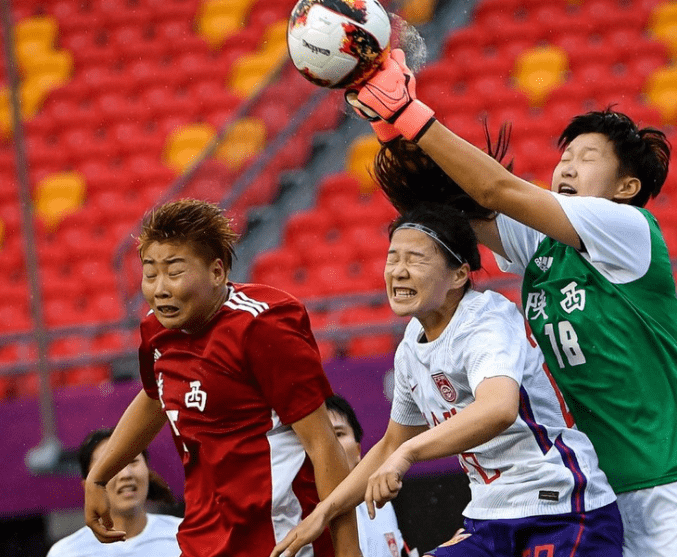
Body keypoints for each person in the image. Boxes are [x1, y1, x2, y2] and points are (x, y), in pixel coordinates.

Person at [343, 50, 677, 556]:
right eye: (564, 158)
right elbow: (452, 208)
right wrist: (389, 131)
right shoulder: (543, 249)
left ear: (628, 187)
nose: (567, 167)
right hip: (598, 493)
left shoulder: (628, 228)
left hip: (673, 485)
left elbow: (495, 187)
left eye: (586, 158)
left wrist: (411, 114)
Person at [272, 203, 622, 557]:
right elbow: (391, 444)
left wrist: (409, 453)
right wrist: (325, 511)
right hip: (488, 520)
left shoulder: (486, 321)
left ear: (459, 275)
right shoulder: (411, 344)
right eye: (393, 258)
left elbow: (499, 408)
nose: (399, 271)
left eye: (416, 259)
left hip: (564, 510)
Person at [82, 199, 360, 557]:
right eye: (150, 274)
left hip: (281, 537)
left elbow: (323, 443)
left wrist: (349, 550)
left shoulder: (264, 327)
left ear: (217, 272)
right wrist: (98, 476)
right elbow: (155, 399)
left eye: (175, 271)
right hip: (204, 538)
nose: (159, 288)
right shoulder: (155, 330)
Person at [47, 428, 181, 557]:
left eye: (133, 461)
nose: (125, 474)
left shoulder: (187, 536)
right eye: (110, 465)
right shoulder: (66, 553)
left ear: (148, 471)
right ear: (87, 486)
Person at [326, 395, 409, 557]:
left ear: (358, 451)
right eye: (322, 438)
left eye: (339, 434)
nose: (331, 445)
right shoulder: (299, 511)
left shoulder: (381, 504)